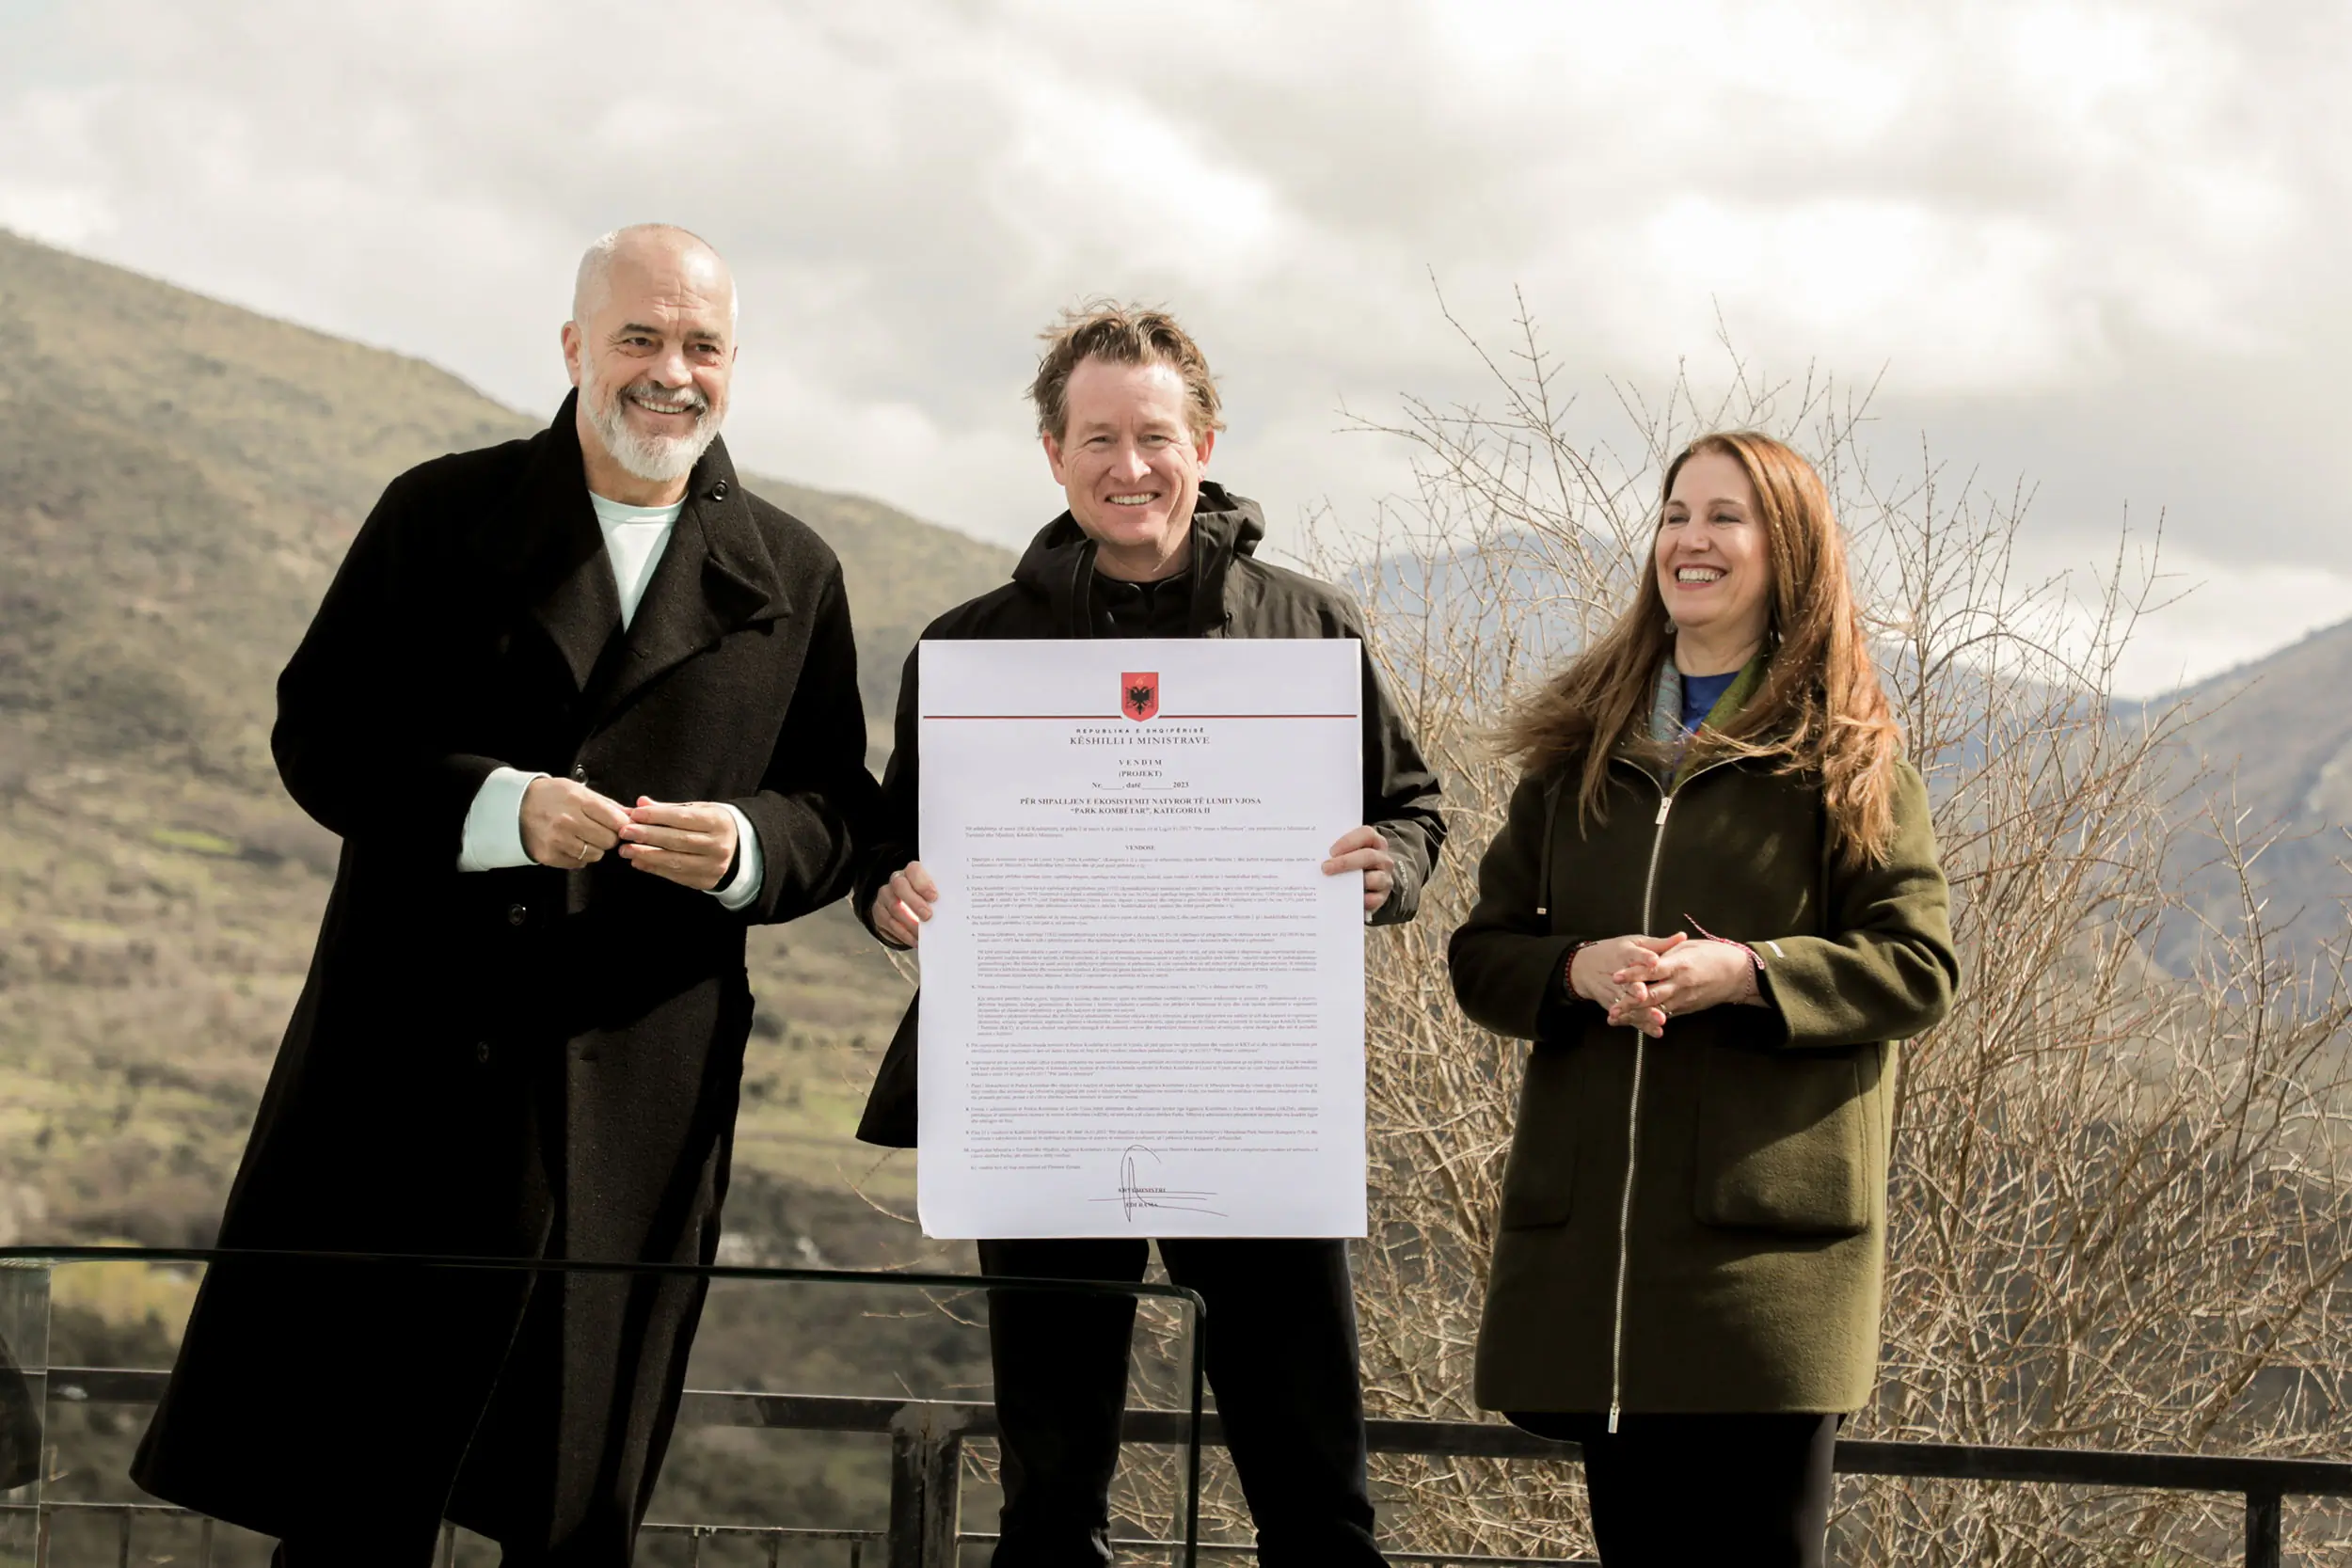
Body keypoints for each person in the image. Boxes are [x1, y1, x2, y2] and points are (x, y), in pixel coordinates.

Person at [131, 225, 879, 1566]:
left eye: (701, 345)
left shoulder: (794, 571)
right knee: (354, 1508)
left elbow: (835, 807)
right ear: (575, 345)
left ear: (734, 362)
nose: (671, 372)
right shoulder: (436, 513)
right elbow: (321, 735)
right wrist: (497, 808)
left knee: (573, 1512)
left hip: (635, 1094)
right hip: (408, 1073)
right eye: (640, 338)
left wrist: (745, 845)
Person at [854, 303, 1445, 1566]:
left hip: (1247, 1076)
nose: (1131, 465)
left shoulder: (1310, 627)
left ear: (1205, 442)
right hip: (1046, 1080)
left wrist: (1389, 865)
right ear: (1053, 454)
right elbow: (888, 843)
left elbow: (1414, 808)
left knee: (1311, 1473)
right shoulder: (969, 646)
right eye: (1099, 438)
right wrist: (887, 892)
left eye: (1156, 436)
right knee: (1050, 1482)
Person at [1448, 432, 1959, 1567]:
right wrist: (1575, 970)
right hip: (1604, 1271)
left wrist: (1749, 972)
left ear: (1787, 553)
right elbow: (1482, 956)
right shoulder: (1574, 757)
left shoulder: (1850, 761)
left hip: (1764, 1276)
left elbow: (1917, 964)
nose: (1692, 538)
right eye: (1676, 513)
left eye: (1727, 517)